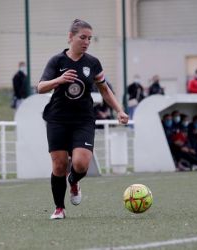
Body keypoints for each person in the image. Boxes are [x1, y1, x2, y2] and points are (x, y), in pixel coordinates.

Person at [37, 19, 129, 219]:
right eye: (82, 37)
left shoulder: (93, 63)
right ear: (70, 37)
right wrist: (59, 80)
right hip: (57, 119)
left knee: (80, 164)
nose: (86, 41)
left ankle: (74, 181)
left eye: (90, 38)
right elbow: (40, 87)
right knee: (59, 165)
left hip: (83, 120)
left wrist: (119, 110)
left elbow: (105, 90)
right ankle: (59, 208)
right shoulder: (57, 61)